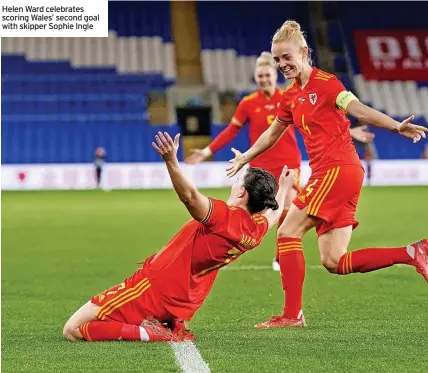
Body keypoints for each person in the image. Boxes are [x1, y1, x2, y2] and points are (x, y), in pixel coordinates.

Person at [226, 20, 428, 328]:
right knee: (334, 261)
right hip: (336, 174)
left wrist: (395, 125)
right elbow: (271, 134)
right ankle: (412, 252)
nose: (282, 64)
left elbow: (358, 109)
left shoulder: (328, 83)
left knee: (287, 231)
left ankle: (292, 316)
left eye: (286, 58)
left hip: (337, 169)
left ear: (304, 52)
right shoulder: (290, 96)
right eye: (277, 59)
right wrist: (247, 158)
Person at [63, 131, 296, 342]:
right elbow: (272, 216)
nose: (233, 184)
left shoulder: (224, 218)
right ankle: (161, 323)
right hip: (182, 302)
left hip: (153, 289)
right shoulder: (255, 229)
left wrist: (171, 161)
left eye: (237, 182)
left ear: (243, 193)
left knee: (73, 329)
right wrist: (283, 189)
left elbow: (190, 197)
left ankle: (148, 332)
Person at [185, 51, 374, 271]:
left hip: (288, 164)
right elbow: (231, 131)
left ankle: (279, 257)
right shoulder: (248, 103)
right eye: (260, 76)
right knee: (241, 210)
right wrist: (207, 151)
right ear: (256, 78)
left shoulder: (290, 97)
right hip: (260, 167)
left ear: (275, 76)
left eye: (267, 75)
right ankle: (221, 251)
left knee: (287, 205)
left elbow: (317, 124)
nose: (264, 79)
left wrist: (350, 133)